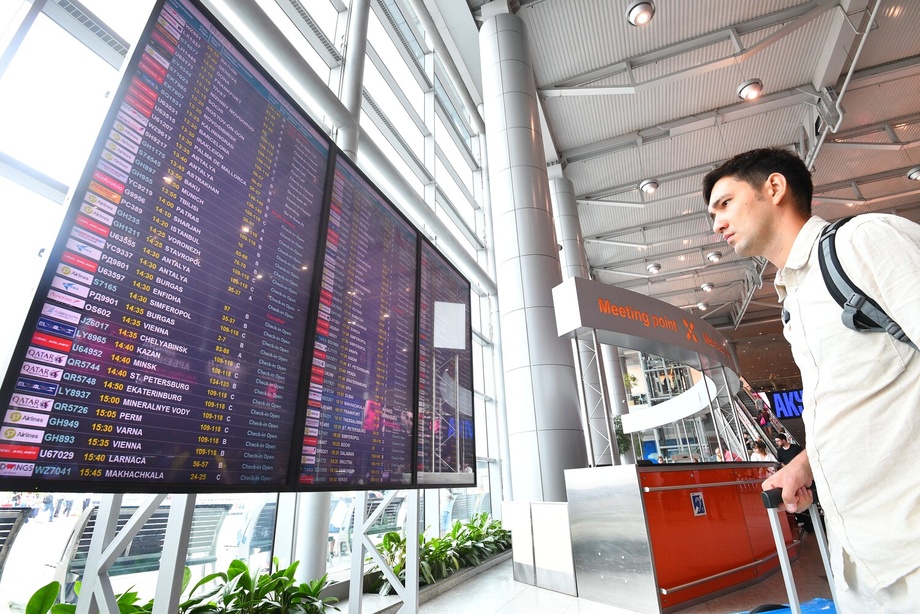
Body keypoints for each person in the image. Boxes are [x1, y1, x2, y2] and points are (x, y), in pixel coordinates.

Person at [704, 147, 920, 612]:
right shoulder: (795, 296)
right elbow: (860, 402)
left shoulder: (862, 242)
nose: (717, 223)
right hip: (860, 560)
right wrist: (807, 464)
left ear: (774, 188)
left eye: (724, 203)